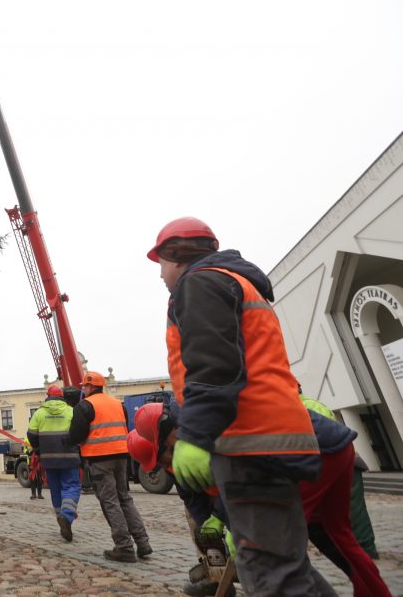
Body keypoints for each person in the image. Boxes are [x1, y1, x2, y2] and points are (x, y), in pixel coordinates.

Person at [149, 216, 326, 595]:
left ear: (175, 254)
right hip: (273, 436)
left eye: (160, 262)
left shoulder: (199, 282)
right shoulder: (238, 282)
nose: (160, 273)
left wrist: (194, 437)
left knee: (272, 576)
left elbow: (213, 367)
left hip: (249, 441)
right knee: (287, 568)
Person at [130, 402, 391, 597]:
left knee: (271, 552)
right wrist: (212, 534)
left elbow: (241, 478)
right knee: (336, 537)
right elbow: (200, 506)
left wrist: (232, 526)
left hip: (305, 457)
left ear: (166, 438)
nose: (162, 465)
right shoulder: (188, 448)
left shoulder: (203, 429)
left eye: (160, 455)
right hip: (332, 448)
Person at [69, 372, 151, 562]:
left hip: (100, 458)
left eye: (84, 386)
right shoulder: (117, 404)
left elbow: (76, 435)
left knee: (110, 501)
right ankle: (143, 542)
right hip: (122, 455)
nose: (83, 389)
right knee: (125, 499)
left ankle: (124, 547)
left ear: (90, 387)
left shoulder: (85, 406)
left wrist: (67, 441)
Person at [300, 387, 380, 559]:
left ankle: (366, 552)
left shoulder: (308, 406)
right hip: (330, 467)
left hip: (345, 466)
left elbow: (332, 442)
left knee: (354, 514)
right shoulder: (302, 405)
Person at [27, 385, 81, 542]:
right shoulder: (70, 410)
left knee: (55, 489)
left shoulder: (39, 413)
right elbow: (78, 432)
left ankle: (60, 518)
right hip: (69, 457)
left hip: (48, 459)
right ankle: (67, 516)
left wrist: (38, 449)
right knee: (71, 486)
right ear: (62, 396)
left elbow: (31, 434)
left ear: (47, 396)